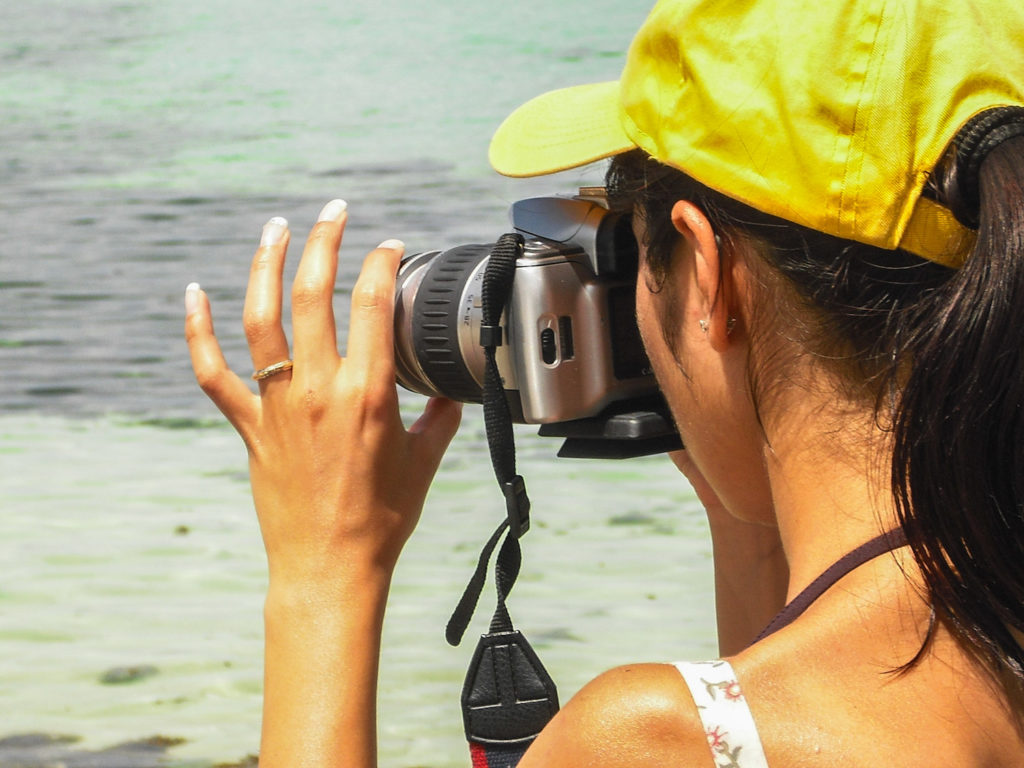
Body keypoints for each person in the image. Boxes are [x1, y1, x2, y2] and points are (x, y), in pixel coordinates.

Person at [184, 0, 1024, 765]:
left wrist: (322, 572)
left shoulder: (655, 742)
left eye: (629, 240)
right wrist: (750, 504)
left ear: (706, 274)